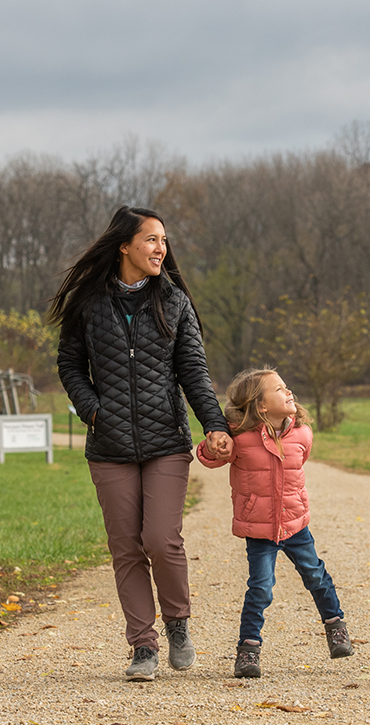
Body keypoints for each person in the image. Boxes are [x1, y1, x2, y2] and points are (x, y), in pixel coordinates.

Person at [50, 205, 231, 682]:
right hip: (108, 444)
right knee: (126, 547)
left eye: (164, 241)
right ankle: (143, 647)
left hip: (165, 442)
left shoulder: (174, 302)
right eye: (151, 240)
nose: (160, 249)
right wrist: (93, 408)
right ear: (125, 245)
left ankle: (177, 623)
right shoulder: (89, 302)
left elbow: (194, 371)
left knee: (161, 540)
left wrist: (216, 425)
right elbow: (69, 363)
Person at [196, 367, 353, 678]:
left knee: (316, 575)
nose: (289, 391)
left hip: (295, 524)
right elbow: (209, 457)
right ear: (261, 405)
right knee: (261, 587)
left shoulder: (302, 434)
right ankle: (248, 650)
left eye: (287, 386)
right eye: (279, 389)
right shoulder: (239, 438)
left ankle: (335, 626)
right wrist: (213, 444)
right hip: (259, 528)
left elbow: (299, 462)